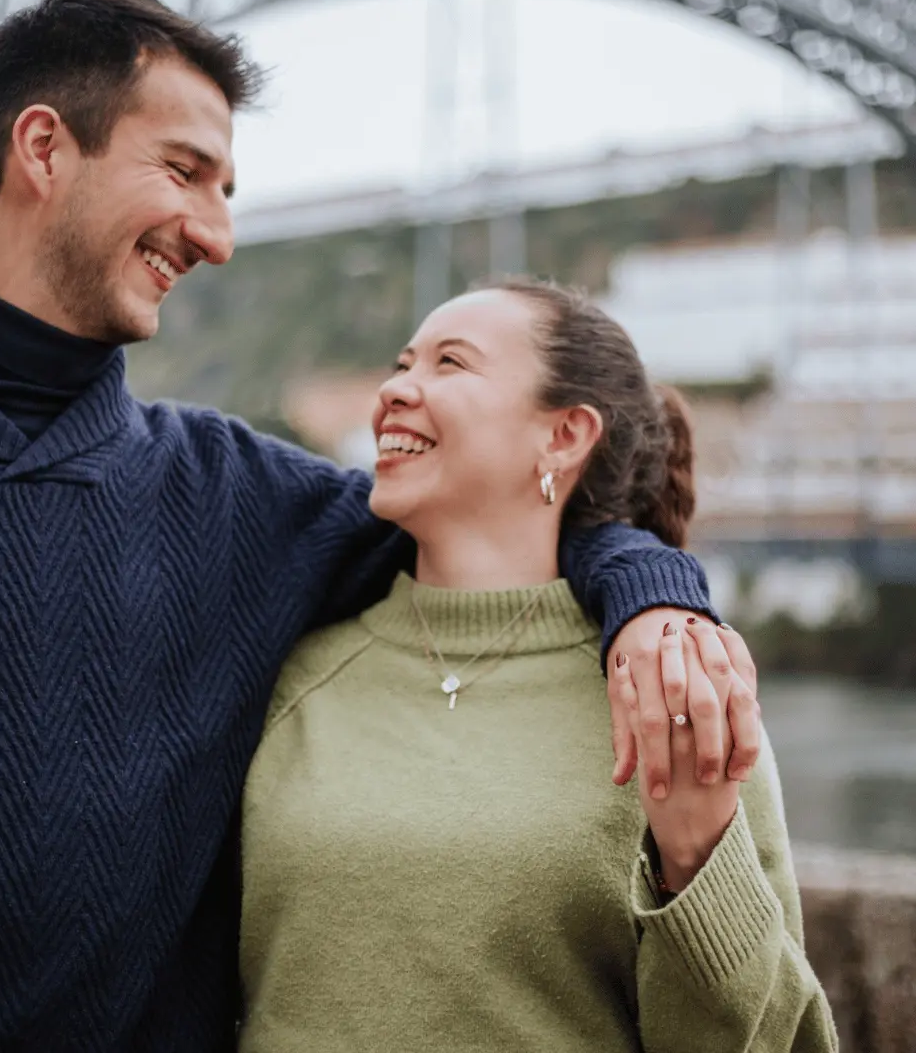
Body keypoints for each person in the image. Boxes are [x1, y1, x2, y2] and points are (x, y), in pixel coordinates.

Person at [0, 0, 753, 1050]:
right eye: (183, 172)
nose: (216, 236)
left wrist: (653, 596)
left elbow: (502, 513)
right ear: (43, 148)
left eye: (226, 189)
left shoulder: (239, 502)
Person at [239, 279, 837, 1052]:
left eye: (449, 364)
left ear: (564, 436)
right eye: (402, 363)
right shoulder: (296, 674)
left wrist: (693, 861)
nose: (394, 389)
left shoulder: (673, 686)